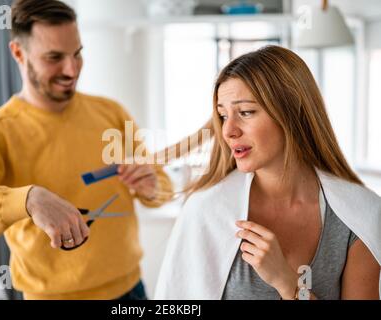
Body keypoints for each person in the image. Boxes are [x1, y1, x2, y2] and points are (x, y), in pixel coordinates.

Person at [0, 0, 172, 300]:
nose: (71, 69)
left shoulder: (111, 113)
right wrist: (27, 199)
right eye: (54, 57)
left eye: (77, 54)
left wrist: (152, 187)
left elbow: (162, 188)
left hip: (130, 291)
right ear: (19, 53)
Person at [155, 45, 381, 300]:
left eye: (246, 112)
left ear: (293, 112)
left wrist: (288, 284)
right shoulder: (205, 211)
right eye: (222, 115)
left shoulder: (358, 216)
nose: (228, 131)